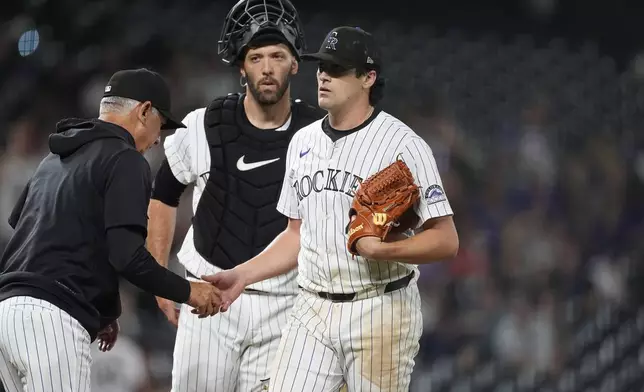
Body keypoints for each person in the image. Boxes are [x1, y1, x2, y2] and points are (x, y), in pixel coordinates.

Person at [205, 26, 460, 392]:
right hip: (311, 308)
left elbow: (446, 239)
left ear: (368, 78)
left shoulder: (403, 144)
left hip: (380, 308)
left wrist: (384, 250)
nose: (324, 75)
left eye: (338, 69)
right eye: (321, 66)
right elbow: (297, 234)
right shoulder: (303, 142)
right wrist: (244, 275)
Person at [0, 68, 223, 392]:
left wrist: (104, 309)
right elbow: (127, 256)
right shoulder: (126, 158)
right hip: (51, 322)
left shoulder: (55, 156)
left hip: (6, 313)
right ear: (144, 111)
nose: (159, 138)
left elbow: (32, 229)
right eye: (160, 124)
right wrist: (190, 292)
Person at [146, 0, 324, 390]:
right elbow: (164, 194)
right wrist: (159, 276)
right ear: (241, 66)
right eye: (255, 56)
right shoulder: (205, 124)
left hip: (286, 303)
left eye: (277, 55)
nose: (266, 67)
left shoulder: (319, 134)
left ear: (295, 63)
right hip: (208, 298)